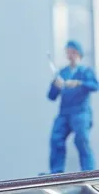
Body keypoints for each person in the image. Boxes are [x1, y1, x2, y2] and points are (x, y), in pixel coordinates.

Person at [48, 40, 98, 173]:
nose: (70, 55)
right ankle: (56, 173)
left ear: (78, 54)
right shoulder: (62, 72)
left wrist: (79, 83)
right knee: (56, 139)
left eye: (73, 52)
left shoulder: (86, 71)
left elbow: (95, 85)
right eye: (68, 52)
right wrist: (55, 85)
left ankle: (88, 171)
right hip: (64, 113)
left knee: (82, 139)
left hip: (81, 112)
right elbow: (51, 96)